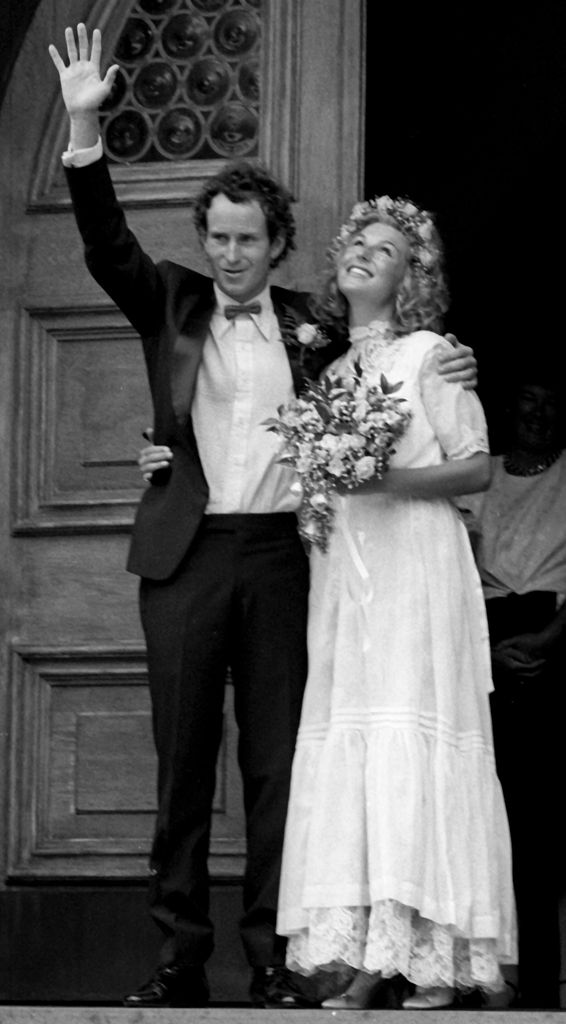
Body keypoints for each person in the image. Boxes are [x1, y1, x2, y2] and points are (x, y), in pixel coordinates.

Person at [48, 24, 478, 1010]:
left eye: (248, 240)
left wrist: (454, 360)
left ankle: (274, 955)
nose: (231, 255)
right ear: (203, 242)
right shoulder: (170, 302)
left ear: (277, 245)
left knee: (282, 765)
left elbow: (391, 358)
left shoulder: (313, 324)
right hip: (187, 555)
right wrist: (81, 126)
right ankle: (177, 954)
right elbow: (105, 241)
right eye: (218, 238)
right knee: (183, 764)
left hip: (287, 560)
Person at [275, 196, 516, 1010]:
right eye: (356, 244)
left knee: (408, 736)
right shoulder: (333, 370)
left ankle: (429, 955)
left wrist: (381, 480)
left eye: (386, 249)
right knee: (360, 746)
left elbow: (478, 466)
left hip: (416, 568)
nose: (365, 255)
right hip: (352, 576)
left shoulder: (431, 355)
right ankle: (377, 951)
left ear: (412, 274)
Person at [459, 372, 566, 1009]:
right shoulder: (482, 472)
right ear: (507, 410)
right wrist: (486, 648)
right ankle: (482, 975)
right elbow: (454, 560)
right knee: (482, 813)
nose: (537, 412)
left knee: (541, 823)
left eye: (550, 402)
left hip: (556, 640)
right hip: (484, 638)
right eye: (529, 399)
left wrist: (549, 642)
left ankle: (544, 988)